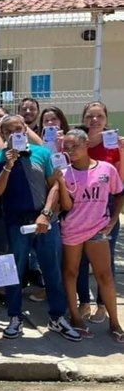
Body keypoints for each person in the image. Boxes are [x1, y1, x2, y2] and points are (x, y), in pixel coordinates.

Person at [0, 115, 81, 342]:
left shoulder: (42, 153)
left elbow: (55, 184)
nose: (15, 134)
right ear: (3, 134)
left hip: (45, 220)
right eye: (9, 131)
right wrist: (8, 166)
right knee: (15, 271)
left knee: (52, 270)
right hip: (15, 223)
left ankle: (57, 316)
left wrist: (46, 213)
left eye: (19, 129)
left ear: (25, 129)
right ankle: (15, 316)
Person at [56, 129, 124, 343]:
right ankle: (76, 317)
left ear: (86, 145)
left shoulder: (106, 169)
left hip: (98, 229)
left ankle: (115, 322)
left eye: (75, 145)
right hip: (72, 230)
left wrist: (113, 220)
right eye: (66, 147)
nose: (70, 150)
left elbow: (119, 194)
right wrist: (58, 182)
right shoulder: (65, 173)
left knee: (104, 276)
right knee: (71, 272)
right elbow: (65, 205)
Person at [77, 101, 124, 323]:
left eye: (99, 116)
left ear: (106, 119)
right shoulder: (77, 141)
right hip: (80, 208)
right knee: (81, 260)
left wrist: (122, 153)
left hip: (107, 207)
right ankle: (84, 302)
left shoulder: (114, 145)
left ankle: (103, 305)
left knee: (105, 261)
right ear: (83, 118)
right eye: (90, 116)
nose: (94, 120)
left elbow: (121, 183)